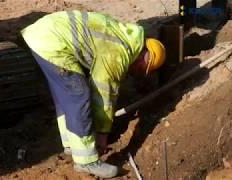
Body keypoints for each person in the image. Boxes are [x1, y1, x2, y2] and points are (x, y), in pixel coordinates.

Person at [21, 10, 166, 178]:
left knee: (65, 96)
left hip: (43, 34)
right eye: (142, 70)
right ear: (145, 58)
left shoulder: (126, 36)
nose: (137, 73)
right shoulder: (117, 54)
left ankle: (73, 145)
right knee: (79, 96)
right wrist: (102, 134)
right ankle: (86, 161)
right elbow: (103, 96)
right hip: (52, 42)